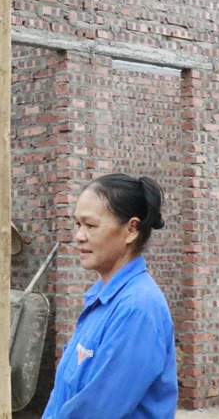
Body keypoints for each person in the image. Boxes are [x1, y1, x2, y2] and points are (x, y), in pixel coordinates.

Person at [42, 174, 177, 419]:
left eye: (90, 225)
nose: (79, 236)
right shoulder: (102, 299)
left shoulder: (138, 308)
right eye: (77, 224)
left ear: (131, 230)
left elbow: (97, 411)